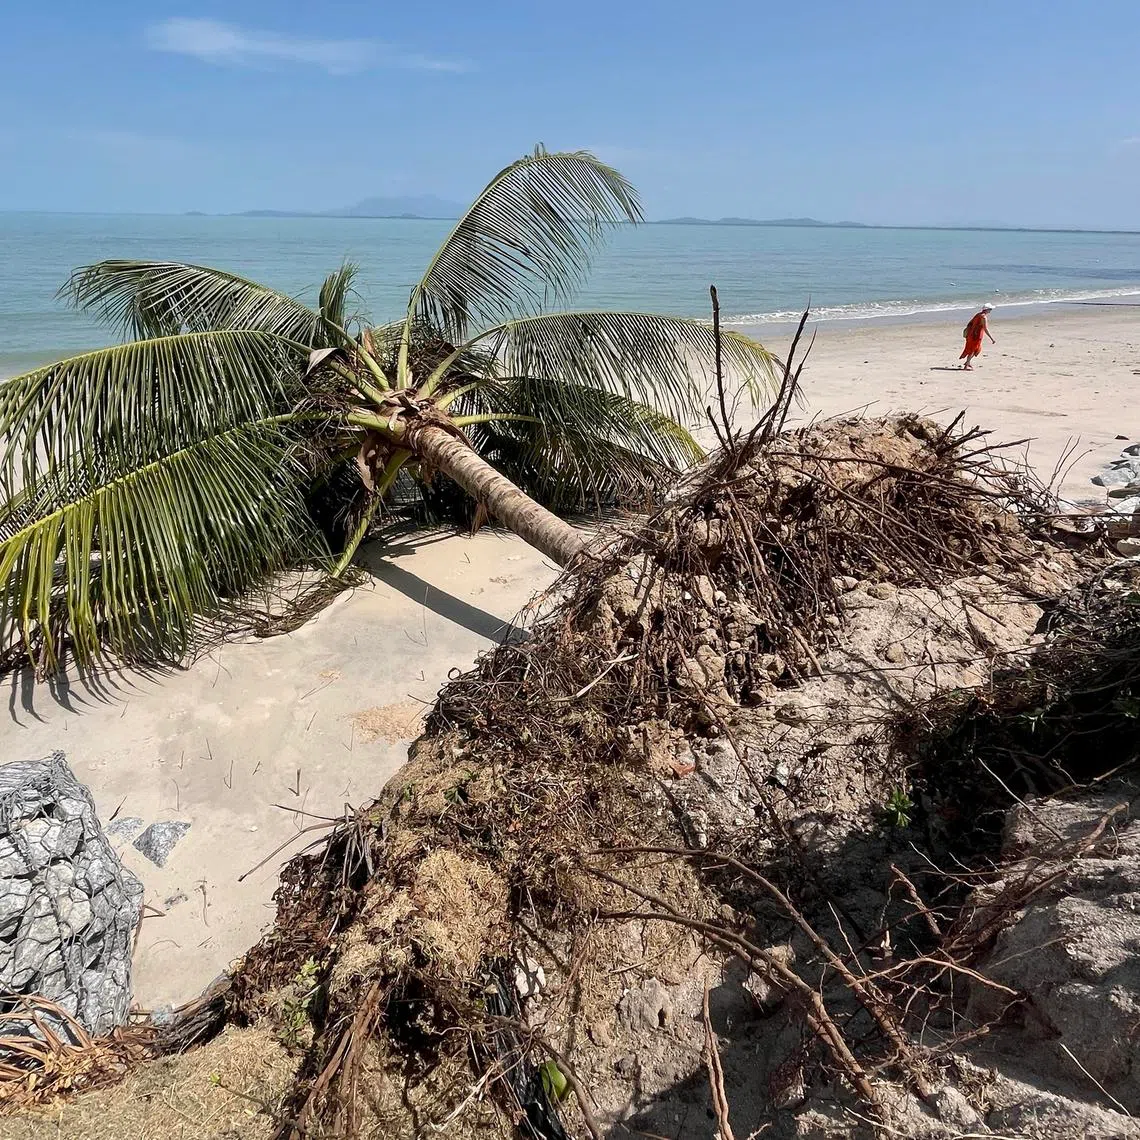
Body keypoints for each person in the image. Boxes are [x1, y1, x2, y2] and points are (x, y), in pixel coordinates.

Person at [960, 303, 996, 370]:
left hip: (971, 334)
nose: (991, 310)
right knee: (974, 350)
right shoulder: (983, 317)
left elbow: (971, 323)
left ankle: (968, 362)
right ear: (987, 310)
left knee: (974, 349)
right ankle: (966, 365)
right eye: (990, 309)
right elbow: (985, 329)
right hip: (976, 336)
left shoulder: (978, 314)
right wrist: (992, 338)